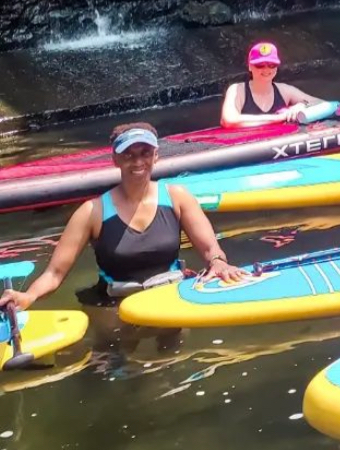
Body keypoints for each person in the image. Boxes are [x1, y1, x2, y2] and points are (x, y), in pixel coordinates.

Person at [0, 124, 245, 311]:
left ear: (156, 155)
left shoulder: (178, 198)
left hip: (170, 294)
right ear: (115, 159)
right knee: (116, 363)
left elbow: (210, 248)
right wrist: (28, 296)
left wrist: (218, 263)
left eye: (145, 153)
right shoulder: (91, 211)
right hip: (112, 304)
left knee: (170, 361)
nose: (138, 161)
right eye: (128, 154)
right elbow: (54, 273)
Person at [220, 41, 322, 129]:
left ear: (276, 68)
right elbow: (229, 120)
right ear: (250, 67)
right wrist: (279, 118)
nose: (266, 70)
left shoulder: (284, 90)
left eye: (271, 65)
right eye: (260, 65)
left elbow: (321, 103)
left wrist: (302, 105)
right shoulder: (238, 90)